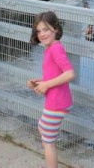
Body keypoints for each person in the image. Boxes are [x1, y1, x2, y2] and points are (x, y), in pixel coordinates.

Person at [27, 11, 76, 168]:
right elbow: (56, 74)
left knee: (48, 142)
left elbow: (69, 73)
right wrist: (40, 81)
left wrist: (47, 85)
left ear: (56, 29)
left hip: (57, 103)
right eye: (39, 30)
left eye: (46, 29)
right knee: (42, 128)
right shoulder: (50, 48)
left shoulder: (55, 48)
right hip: (56, 101)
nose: (42, 34)